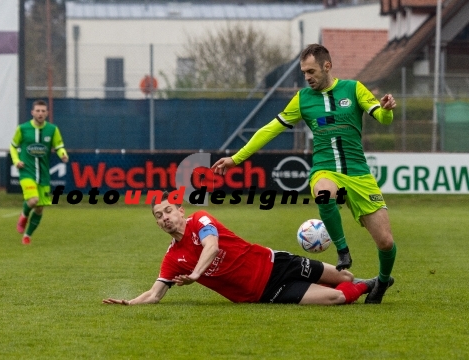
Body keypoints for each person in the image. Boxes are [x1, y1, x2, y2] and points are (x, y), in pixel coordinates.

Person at [212, 44, 397, 304]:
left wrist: (386, 109)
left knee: (386, 243)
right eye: (303, 72)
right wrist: (236, 158)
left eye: (311, 71)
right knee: (324, 194)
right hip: (325, 169)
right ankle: (343, 251)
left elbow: (383, 118)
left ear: (327, 66)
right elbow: (269, 130)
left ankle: (381, 282)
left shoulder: (353, 89)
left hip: (359, 175)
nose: (307, 77)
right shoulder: (303, 99)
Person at [102, 192, 393, 306]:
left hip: (274, 262)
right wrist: (130, 303)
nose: (164, 218)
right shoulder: (173, 258)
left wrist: (195, 275)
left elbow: (212, 247)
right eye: (158, 216)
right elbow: (155, 293)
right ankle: (371, 285)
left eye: (167, 211)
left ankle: (363, 282)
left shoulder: (201, 218)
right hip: (263, 292)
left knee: (344, 277)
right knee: (334, 298)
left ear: (180, 209)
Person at [10, 100, 68, 245]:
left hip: (43, 174)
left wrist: (63, 154)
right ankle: (23, 215)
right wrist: (16, 161)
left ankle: (27, 235)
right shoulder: (22, 129)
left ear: (47, 113)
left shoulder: (52, 129)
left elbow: (59, 146)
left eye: (43, 111)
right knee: (33, 200)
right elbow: (13, 146)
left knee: (39, 208)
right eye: (38, 111)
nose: (40, 113)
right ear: (32, 112)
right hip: (26, 171)